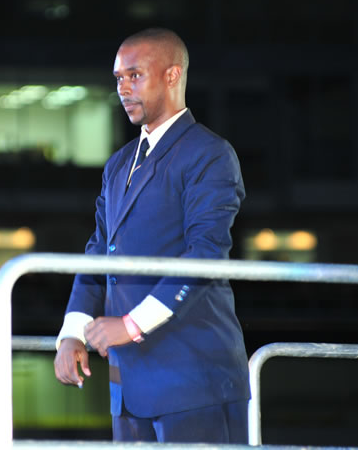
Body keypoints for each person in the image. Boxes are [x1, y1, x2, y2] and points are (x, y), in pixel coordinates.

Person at [53, 28, 249, 443]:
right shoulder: (119, 163)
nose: (123, 88)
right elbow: (98, 251)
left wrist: (131, 324)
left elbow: (207, 255)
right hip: (129, 384)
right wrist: (73, 331)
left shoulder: (210, 154)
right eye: (118, 78)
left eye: (135, 75)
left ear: (173, 75)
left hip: (195, 377)